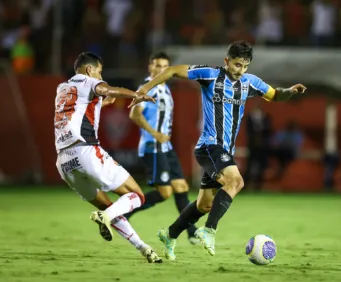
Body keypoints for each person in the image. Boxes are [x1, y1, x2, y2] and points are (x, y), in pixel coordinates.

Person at [130, 40, 307, 260]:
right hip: (209, 146)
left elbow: (274, 94)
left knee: (204, 204)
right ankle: (209, 230)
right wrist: (143, 89)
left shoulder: (250, 82)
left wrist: (290, 91)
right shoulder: (210, 75)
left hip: (224, 151)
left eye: (244, 66)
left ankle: (170, 234)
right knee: (236, 181)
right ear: (226, 61)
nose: (240, 71)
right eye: (236, 65)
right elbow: (173, 70)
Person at [55, 52, 162, 263]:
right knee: (137, 196)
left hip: (64, 162)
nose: (99, 75)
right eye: (99, 72)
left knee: (108, 208)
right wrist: (135, 94)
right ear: (89, 70)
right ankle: (107, 217)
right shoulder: (89, 81)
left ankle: (144, 248)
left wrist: (100, 103)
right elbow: (106, 89)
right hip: (85, 152)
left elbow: (77, 110)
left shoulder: (62, 88)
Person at [125, 52, 199, 244]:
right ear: (150, 67)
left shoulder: (165, 89)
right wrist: (154, 133)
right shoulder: (148, 88)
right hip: (153, 146)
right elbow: (134, 114)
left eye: (164, 67)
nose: (160, 70)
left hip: (166, 147)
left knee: (181, 187)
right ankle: (124, 211)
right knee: (165, 192)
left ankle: (192, 233)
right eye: (157, 66)